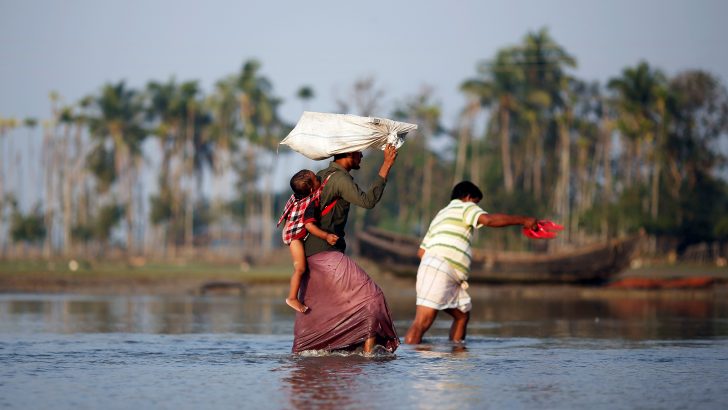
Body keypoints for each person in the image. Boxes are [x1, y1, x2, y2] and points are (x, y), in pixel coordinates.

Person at [292, 144, 399, 354]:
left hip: (312, 255)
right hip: (326, 255)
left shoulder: (322, 175)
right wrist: (386, 164)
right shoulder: (340, 179)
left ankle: (337, 355)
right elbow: (368, 201)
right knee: (372, 299)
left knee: (319, 314)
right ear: (349, 154)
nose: (361, 156)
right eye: (359, 152)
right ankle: (368, 358)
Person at [404, 181, 539, 345]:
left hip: (446, 274)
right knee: (422, 321)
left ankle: (456, 354)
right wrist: (523, 220)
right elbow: (488, 220)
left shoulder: (441, 214)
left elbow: (421, 252)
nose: (477, 207)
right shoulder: (465, 206)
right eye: (476, 203)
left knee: (462, 314)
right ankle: (407, 361)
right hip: (440, 268)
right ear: (468, 197)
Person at [277, 169, 339, 313]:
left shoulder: (297, 196)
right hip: (294, 237)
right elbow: (309, 225)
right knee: (300, 268)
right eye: (316, 179)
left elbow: (320, 186)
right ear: (311, 189)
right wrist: (326, 236)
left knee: (303, 269)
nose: (318, 178)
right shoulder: (310, 201)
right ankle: (292, 297)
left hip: (293, 233)